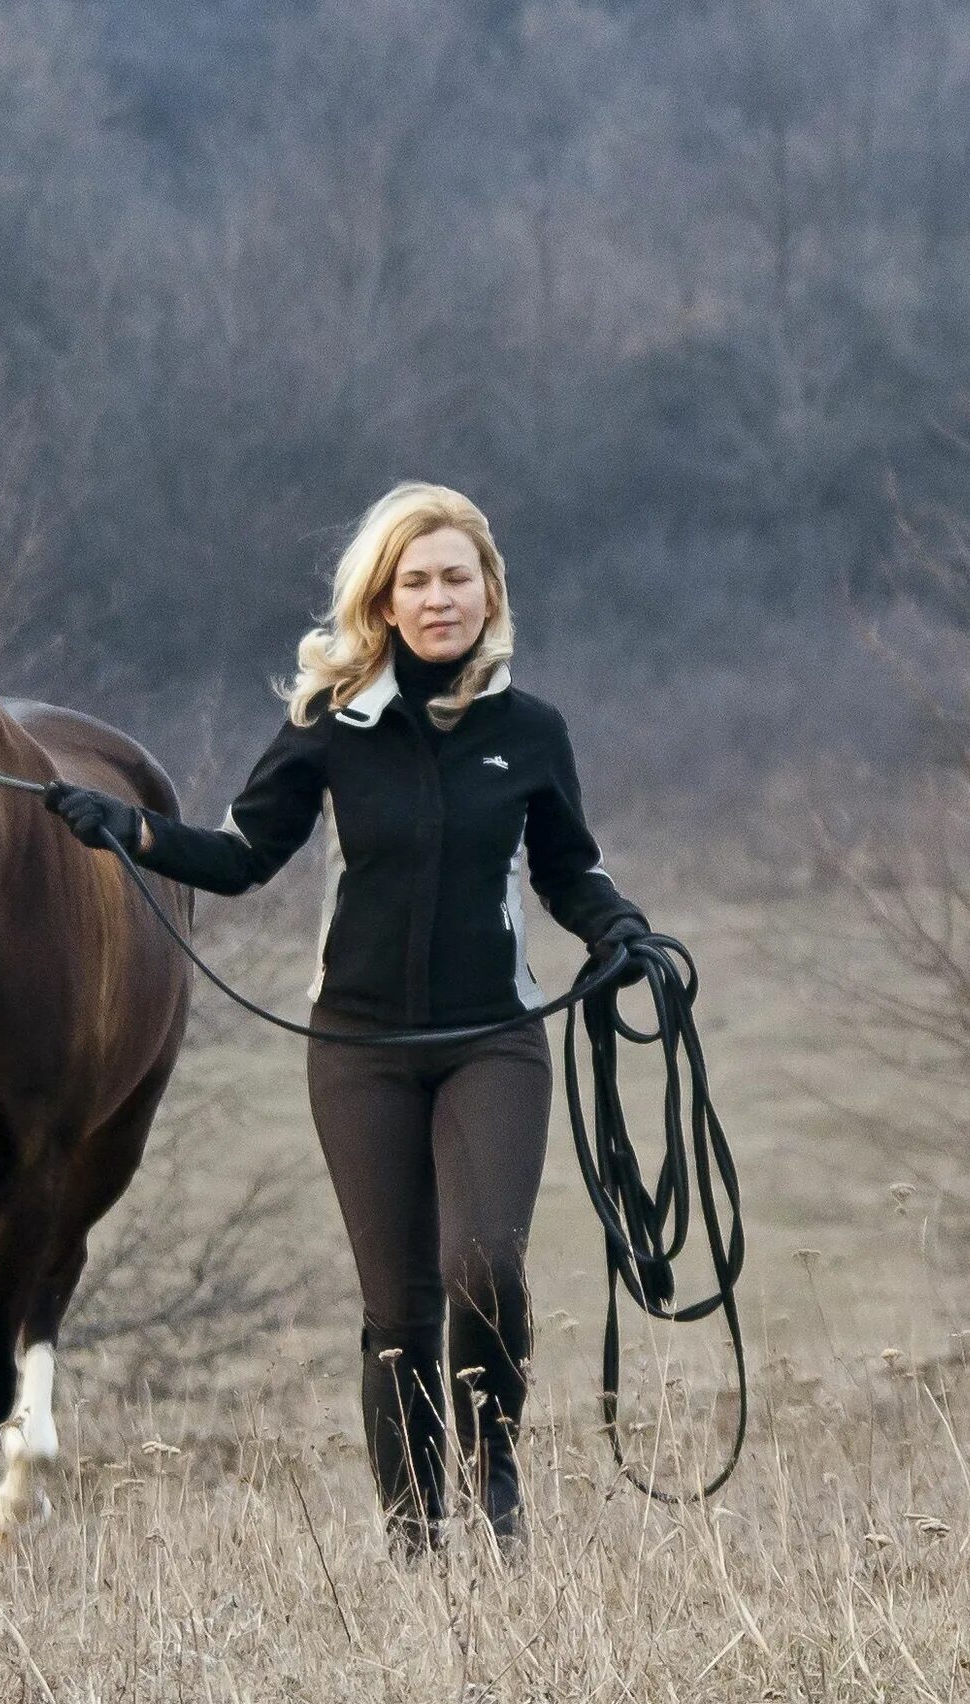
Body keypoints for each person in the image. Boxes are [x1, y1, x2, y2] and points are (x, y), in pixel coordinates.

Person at [38, 482, 648, 1553]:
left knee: (485, 1267)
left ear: (489, 589)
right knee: (400, 1305)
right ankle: (415, 1534)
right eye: (416, 580)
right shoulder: (330, 727)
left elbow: (568, 872)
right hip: (357, 1050)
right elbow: (239, 856)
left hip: (491, 1039)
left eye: (457, 576)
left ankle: (492, 1463)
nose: (438, 597)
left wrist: (621, 931)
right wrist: (127, 830)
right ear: (384, 598)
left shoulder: (529, 732)